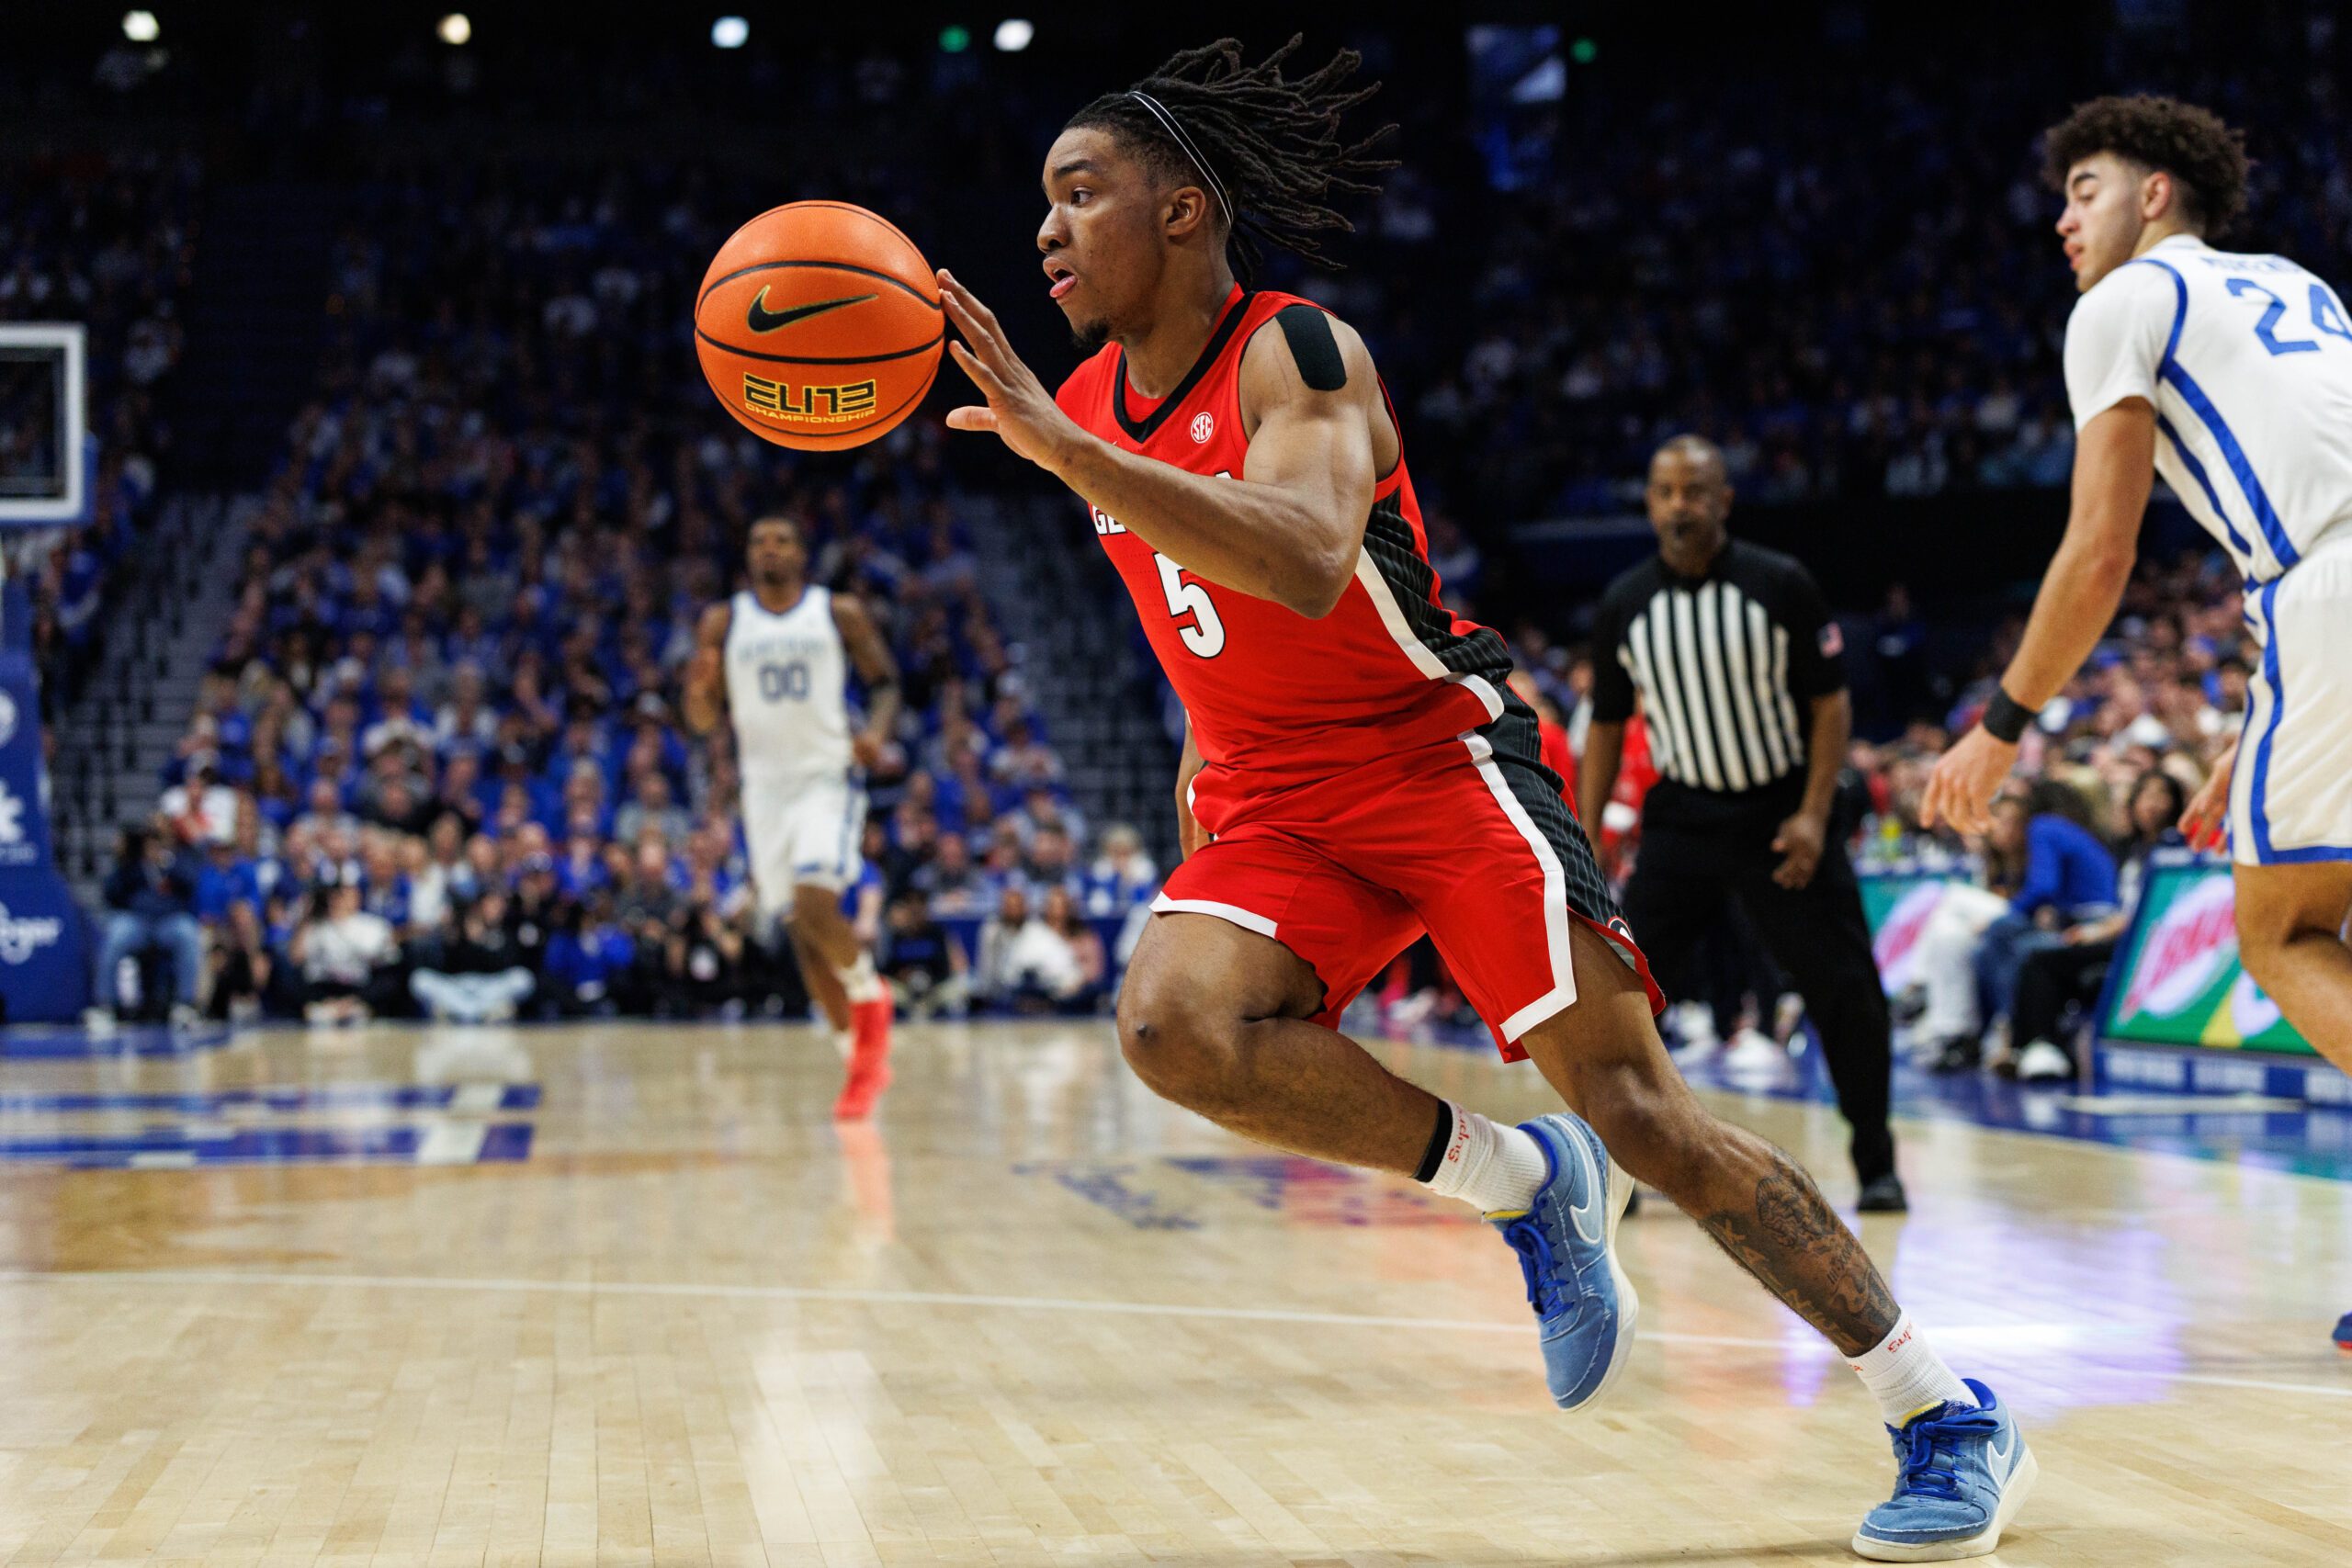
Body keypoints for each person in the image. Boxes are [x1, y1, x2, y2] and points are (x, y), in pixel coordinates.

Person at [934, 36, 2030, 1558]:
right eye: (1043, 203)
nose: (1045, 229)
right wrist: (1201, 746)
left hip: (1431, 758)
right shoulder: (1086, 399)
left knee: (1647, 1112)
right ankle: (1520, 1183)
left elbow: (1309, 557)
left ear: (1182, 208)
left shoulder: (1294, 350)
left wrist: (1079, 460)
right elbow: (1185, 605)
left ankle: (1941, 1410)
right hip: (1275, 791)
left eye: (1081, 193)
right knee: (1170, 1024)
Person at [1919, 96, 2352, 1354]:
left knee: (2284, 930)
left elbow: (2103, 548)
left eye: (2087, 188)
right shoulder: (2299, 286)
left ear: (2156, 193)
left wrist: (2004, 721)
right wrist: (2254, 725)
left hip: (2325, 592)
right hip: (2322, 603)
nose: (2063, 219)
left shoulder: (2125, 301)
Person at [1577, 436, 1904, 1210]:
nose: (1679, 505)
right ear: (1650, 503)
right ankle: (1619, 1171)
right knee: (1617, 997)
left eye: (1695, 491)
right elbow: (1607, 728)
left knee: (1848, 990)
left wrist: (1815, 814)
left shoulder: (1779, 584)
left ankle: (1877, 1161)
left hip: (1778, 815)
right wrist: (1585, 840)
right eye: (1665, 491)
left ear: (1724, 499)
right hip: (1683, 819)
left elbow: (1831, 704)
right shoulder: (1625, 602)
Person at [684, 514, 903, 1119]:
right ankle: (855, 1059)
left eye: (781, 539)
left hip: (825, 776)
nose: (769, 548)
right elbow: (702, 722)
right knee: (800, 932)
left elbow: (885, 683)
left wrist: (877, 734)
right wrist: (697, 693)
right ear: (747, 554)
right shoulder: (723, 621)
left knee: (815, 900)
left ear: (802, 554)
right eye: (758, 540)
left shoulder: (837, 612)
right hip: (762, 789)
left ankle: (868, 992)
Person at [2009, 771, 2188, 1079]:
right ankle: (2029, 1047)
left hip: (2147, 939)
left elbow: (2159, 909)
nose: (2153, 805)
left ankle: (2039, 1046)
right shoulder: (2125, 849)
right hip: (2117, 932)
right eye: (2146, 796)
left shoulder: (2178, 848)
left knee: (2040, 958)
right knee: (2039, 956)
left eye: (2161, 796)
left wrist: (2099, 930)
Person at [86, 823, 205, 1032]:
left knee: (187, 933)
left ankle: (186, 1004)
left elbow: (191, 885)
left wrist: (169, 864)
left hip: (168, 921)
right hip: (138, 921)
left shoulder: (178, 861)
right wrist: (122, 861)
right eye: (150, 843)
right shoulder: (133, 866)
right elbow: (111, 894)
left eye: (159, 842)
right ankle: (106, 1005)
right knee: (116, 934)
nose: (154, 847)